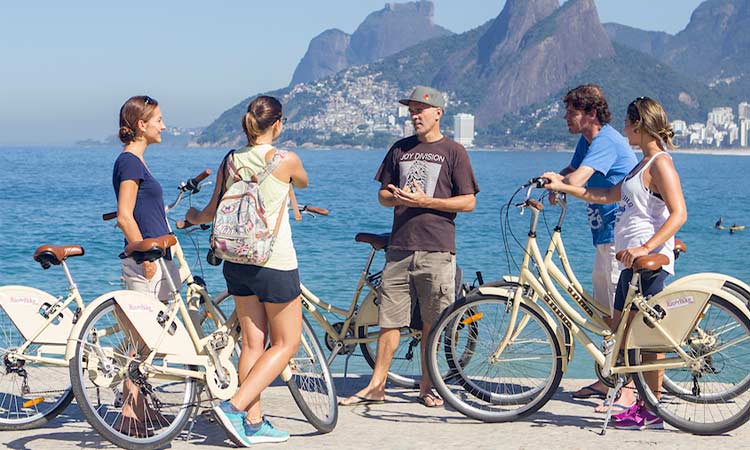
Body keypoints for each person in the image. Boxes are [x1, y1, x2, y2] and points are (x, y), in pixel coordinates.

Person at [543, 96, 687, 430]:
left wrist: (646, 247)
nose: (623, 129)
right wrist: (563, 186)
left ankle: (652, 410)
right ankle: (640, 401)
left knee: (646, 340)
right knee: (622, 331)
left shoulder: (660, 163)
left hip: (647, 261)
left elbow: (679, 212)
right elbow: (605, 195)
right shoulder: (641, 165)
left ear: (640, 124)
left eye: (627, 123)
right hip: (629, 264)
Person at [339, 86, 479, 408]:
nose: (415, 115)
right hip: (400, 247)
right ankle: (376, 385)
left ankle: (428, 386)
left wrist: (426, 201)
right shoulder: (400, 149)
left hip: (438, 248)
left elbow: (469, 201)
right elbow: (382, 195)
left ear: (438, 113)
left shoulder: (454, 151)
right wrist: (397, 198)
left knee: (432, 320)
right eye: (412, 110)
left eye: (421, 110)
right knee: (390, 320)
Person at [185, 95, 308, 446]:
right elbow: (303, 182)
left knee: (253, 344)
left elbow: (210, 212)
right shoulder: (286, 159)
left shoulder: (230, 160)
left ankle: (253, 424)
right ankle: (235, 408)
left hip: (236, 262)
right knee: (286, 343)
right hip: (274, 263)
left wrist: (192, 217)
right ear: (278, 124)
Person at [546, 85, 638, 407]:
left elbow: (578, 180)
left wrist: (560, 183)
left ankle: (627, 387)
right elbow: (570, 171)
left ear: (591, 114)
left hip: (621, 236)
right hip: (605, 236)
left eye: (572, 112)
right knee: (605, 312)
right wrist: (552, 180)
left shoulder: (605, 141)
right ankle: (607, 379)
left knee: (619, 313)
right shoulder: (586, 141)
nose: (566, 118)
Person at [112, 95, 181, 436]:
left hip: (157, 256)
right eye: (158, 119)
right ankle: (128, 413)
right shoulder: (129, 162)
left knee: (148, 341)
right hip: (146, 261)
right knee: (141, 338)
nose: (163, 126)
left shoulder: (138, 162)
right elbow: (125, 216)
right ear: (141, 125)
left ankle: (141, 409)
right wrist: (144, 256)